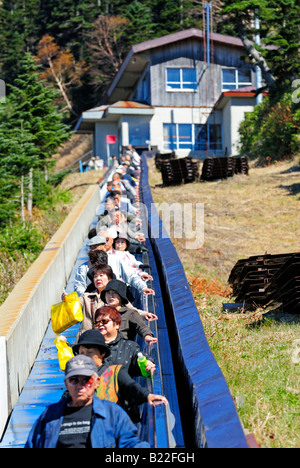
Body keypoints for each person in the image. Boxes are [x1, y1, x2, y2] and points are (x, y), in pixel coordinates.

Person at [25, 355, 149, 448]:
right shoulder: (50, 415)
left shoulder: (112, 413)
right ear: (66, 384)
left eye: (86, 380)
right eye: (74, 380)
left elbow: (131, 444)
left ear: (97, 382)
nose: (81, 385)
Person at [73, 330, 167, 420]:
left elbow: (130, 386)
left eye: (89, 352)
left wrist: (147, 396)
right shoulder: (76, 378)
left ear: (102, 353)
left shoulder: (114, 372)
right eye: (81, 353)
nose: (84, 357)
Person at [93, 306, 156, 377]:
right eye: (96, 323)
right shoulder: (90, 347)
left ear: (117, 324)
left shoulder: (129, 346)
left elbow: (139, 357)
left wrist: (148, 362)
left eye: (104, 321)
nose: (100, 324)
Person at [100, 279, 158, 343]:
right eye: (108, 293)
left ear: (121, 295)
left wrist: (147, 336)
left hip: (124, 349)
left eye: (114, 292)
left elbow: (142, 327)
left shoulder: (130, 313)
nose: (111, 296)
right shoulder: (101, 314)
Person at [75, 264, 114, 341]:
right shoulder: (86, 297)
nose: (98, 278)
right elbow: (73, 306)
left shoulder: (115, 296)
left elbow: (130, 310)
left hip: (107, 339)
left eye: (101, 275)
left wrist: (144, 314)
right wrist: (67, 300)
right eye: (95, 276)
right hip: (86, 340)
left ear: (109, 279)